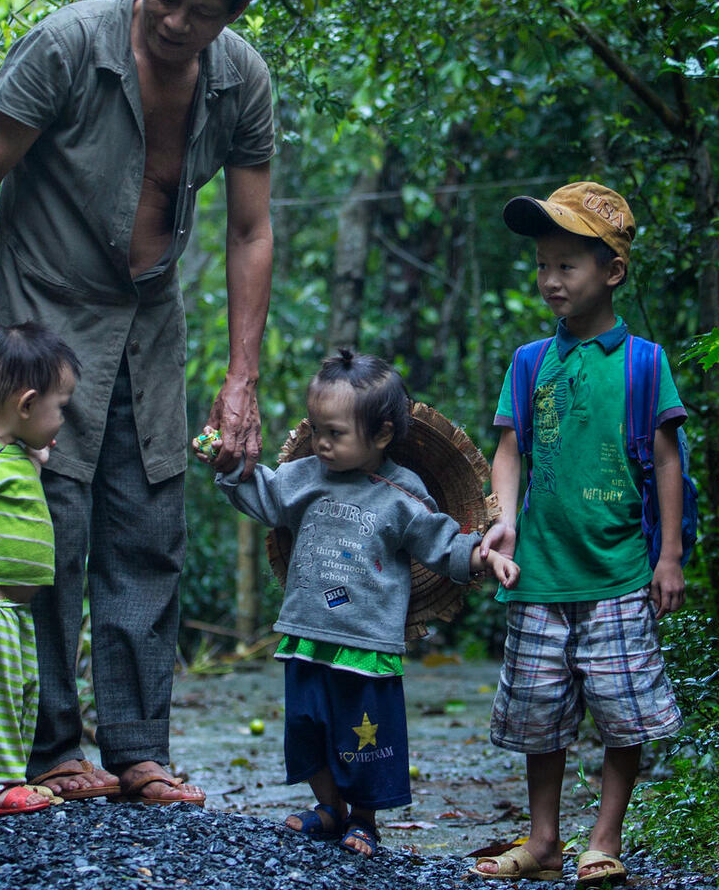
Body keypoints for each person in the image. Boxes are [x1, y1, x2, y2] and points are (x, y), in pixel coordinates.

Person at [0, 0, 275, 805]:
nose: (174, 21)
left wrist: (242, 379)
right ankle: (51, 748)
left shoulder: (240, 81)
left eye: (200, 12)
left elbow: (251, 233)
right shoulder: (68, 45)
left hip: (148, 323)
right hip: (44, 317)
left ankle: (137, 749)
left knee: (147, 523)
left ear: (230, 15)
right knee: (47, 527)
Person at [200, 350, 520, 858]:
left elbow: (441, 542)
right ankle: (328, 808)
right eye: (318, 429)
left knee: (363, 737)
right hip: (306, 633)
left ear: (382, 435)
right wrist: (230, 466)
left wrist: (483, 556)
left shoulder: (400, 493)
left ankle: (364, 821)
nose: (322, 443)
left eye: (336, 433)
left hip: (367, 643)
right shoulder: (304, 476)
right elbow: (262, 493)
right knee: (306, 728)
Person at [469, 182, 688, 885]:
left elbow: (664, 459)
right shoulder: (531, 361)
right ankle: (542, 841)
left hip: (621, 571)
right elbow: (509, 448)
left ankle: (605, 836)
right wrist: (501, 525)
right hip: (540, 573)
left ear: (612, 271)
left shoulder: (644, 362)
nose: (550, 280)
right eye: (542, 265)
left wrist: (671, 556)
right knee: (539, 713)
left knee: (625, 713)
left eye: (567, 264)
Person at [0, 323, 82, 816]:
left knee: (24, 692)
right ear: (26, 405)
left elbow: (31, 456)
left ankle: (13, 777)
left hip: (17, 608)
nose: (63, 421)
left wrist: (37, 454)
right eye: (61, 408)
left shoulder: (15, 453)